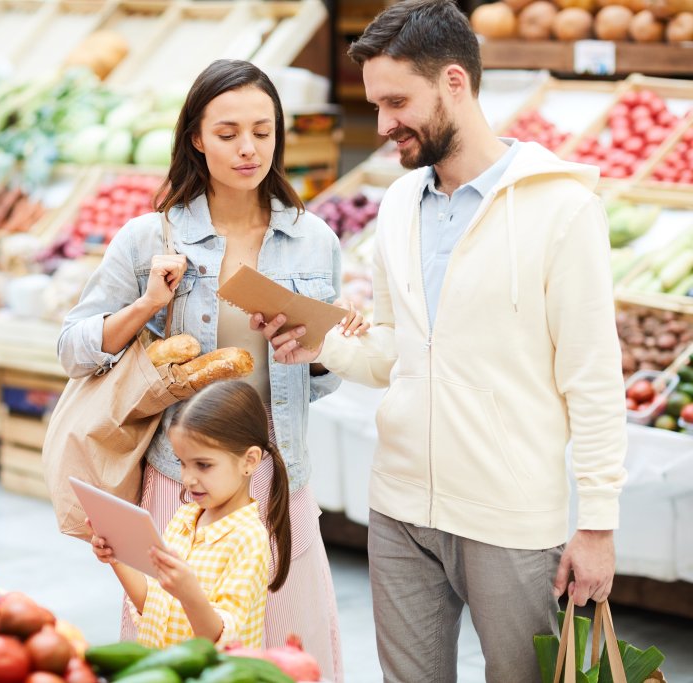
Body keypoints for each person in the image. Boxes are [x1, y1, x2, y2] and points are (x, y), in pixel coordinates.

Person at [261, 1, 628, 680]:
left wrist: (598, 524)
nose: (382, 124)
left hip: (510, 518)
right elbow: (394, 353)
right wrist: (317, 338)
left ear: (454, 83)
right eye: (374, 104)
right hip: (399, 506)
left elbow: (594, 375)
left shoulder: (560, 206)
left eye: (397, 101)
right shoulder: (399, 203)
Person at [58, 59, 350, 679]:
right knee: (175, 643)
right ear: (195, 136)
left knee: (283, 650)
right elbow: (72, 348)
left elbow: (326, 378)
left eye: (263, 132)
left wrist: (315, 349)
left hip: (277, 475)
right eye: (227, 133)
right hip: (180, 474)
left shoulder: (314, 239)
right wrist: (147, 305)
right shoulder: (149, 238)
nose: (249, 149)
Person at [88, 380, 290, 649]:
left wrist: (188, 593)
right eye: (182, 463)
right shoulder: (184, 519)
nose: (188, 479)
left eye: (203, 465)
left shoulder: (248, 538)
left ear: (249, 461)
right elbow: (154, 607)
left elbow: (221, 640)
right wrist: (117, 558)